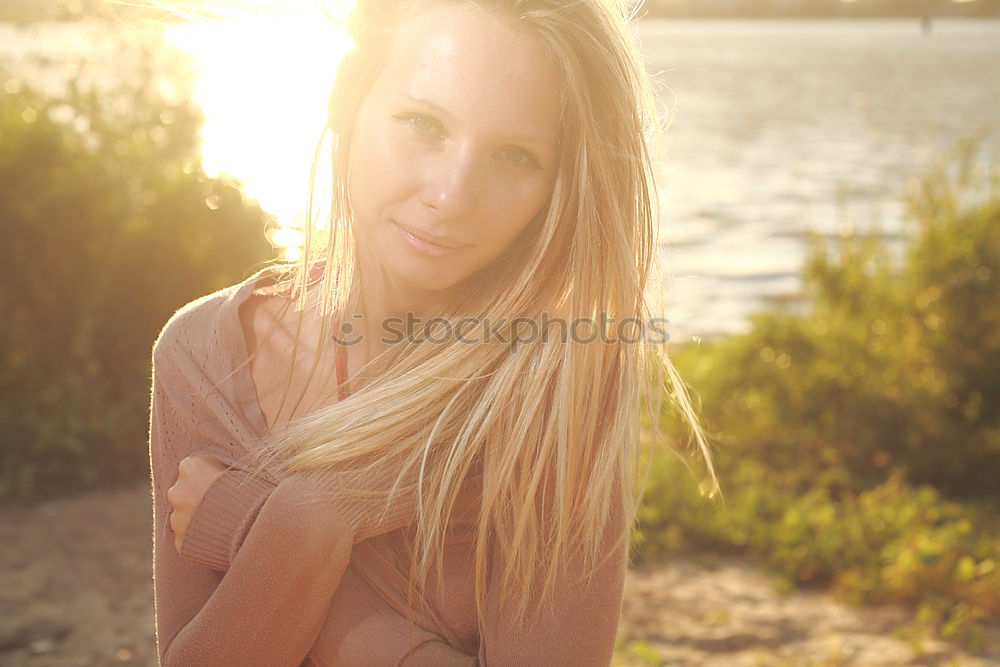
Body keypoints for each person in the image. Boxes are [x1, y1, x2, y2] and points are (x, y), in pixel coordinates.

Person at [148, 0, 718, 665]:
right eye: (422, 123)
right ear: (344, 100)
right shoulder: (204, 355)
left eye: (515, 156)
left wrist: (299, 518)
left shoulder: (556, 386)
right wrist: (297, 531)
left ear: (557, 185)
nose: (451, 195)